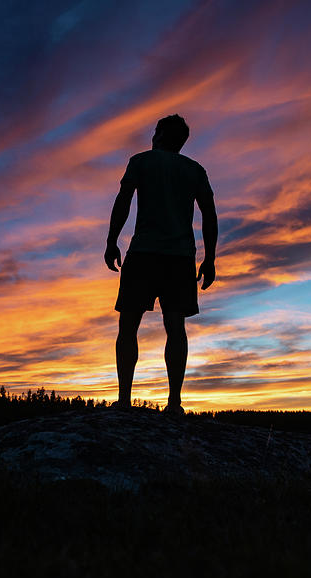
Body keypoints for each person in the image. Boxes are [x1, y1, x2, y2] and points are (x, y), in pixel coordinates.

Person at [104, 114, 217, 415]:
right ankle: (174, 403)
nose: (152, 135)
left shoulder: (141, 161)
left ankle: (125, 400)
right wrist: (210, 258)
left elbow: (123, 200)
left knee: (128, 326)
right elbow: (210, 214)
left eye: (155, 131)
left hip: (143, 254)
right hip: (180, 258)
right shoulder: (194, 170)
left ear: (161, 135)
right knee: (175, 328)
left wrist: (111, 240)